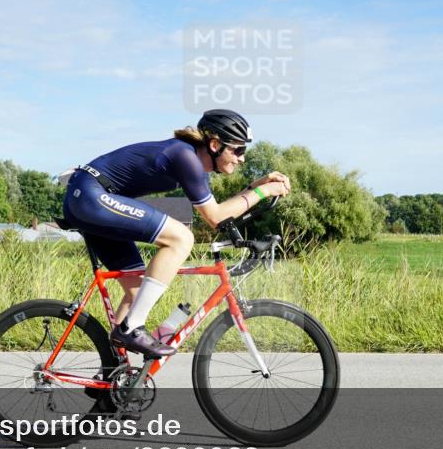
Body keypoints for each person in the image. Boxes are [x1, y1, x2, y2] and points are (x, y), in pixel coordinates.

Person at [62, 109, 291, 358]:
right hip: (91, 196)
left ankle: (113, 375)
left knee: (136, 291)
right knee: (181, 238)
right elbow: (215, 217)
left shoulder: (190, 161)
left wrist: (253, 187)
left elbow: (221, 211)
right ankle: (131, 329)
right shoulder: (186, 157)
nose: (242, 158)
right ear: (215, 145)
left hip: (92, 197)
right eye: (238, 150)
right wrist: (263, 192)